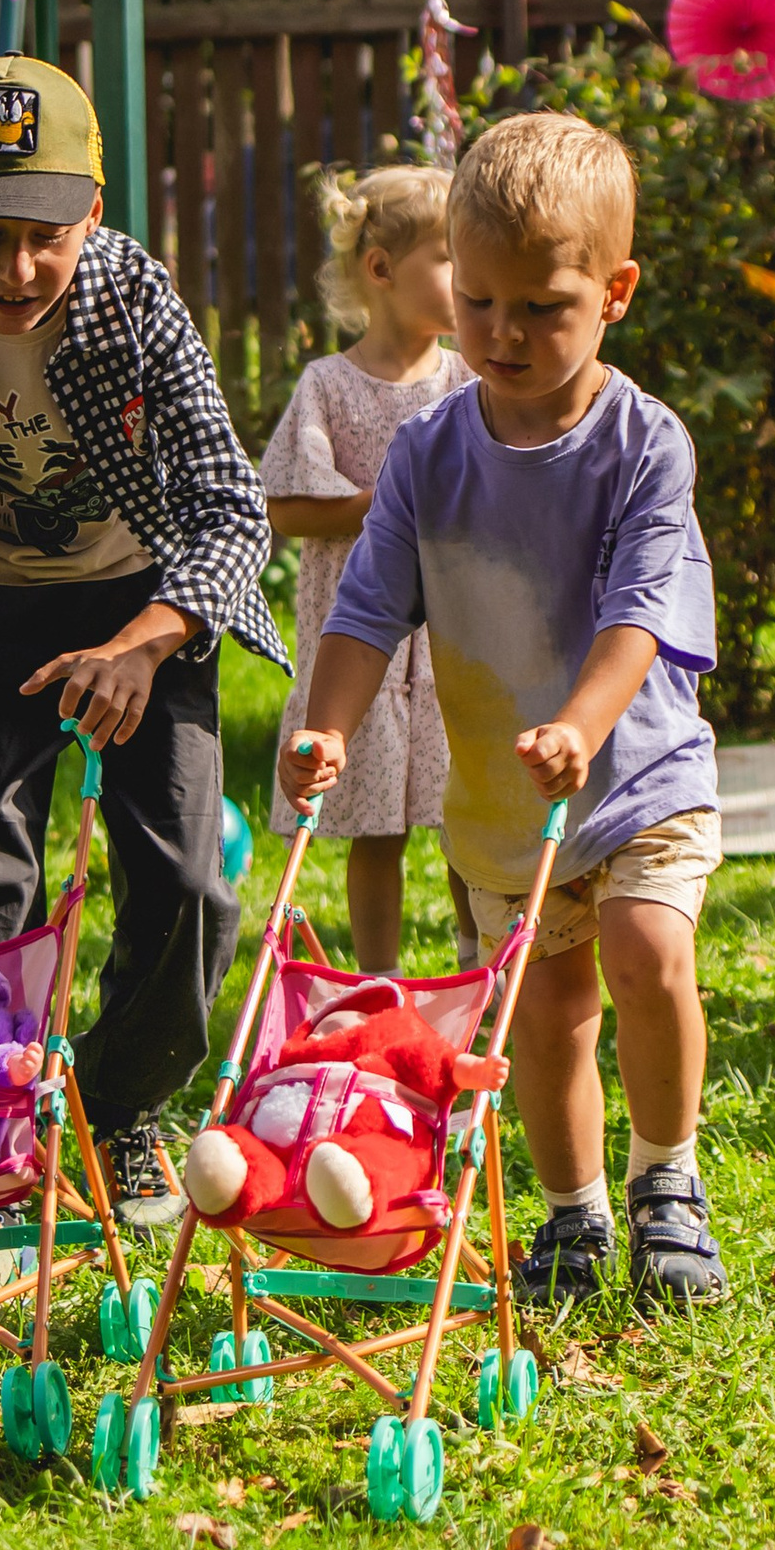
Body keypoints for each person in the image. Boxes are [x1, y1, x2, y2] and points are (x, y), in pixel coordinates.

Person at [0, 54, 287, 1225]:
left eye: (45, 235)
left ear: (94, 212)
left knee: (184, 885)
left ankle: (116, 1108)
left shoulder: (134, 297)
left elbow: (232, 506)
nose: (18, 270)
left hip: (139, 607)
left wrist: (143, 642)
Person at [278, 111, 727, 1311]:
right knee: (544, 1009)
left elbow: (638, 613)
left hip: (632, 767)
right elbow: (368, 607)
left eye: (542, 307)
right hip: (495, 796)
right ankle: (573, 1211)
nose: (503, 333)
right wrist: (324, 723)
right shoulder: (430, 451)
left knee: (646, 949)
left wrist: (580, 723)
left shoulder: (643, 444)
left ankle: (665, 1184)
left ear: (616, 293)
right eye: (477, 303)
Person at [261, 164, 473, 972]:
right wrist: (379, 505)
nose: (470, 280)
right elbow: (284, 504)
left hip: (454, 633)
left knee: (466, 807)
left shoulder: (471, 384)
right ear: (381, 269)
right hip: (367, 643)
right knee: (376, 821)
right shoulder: (329, 386)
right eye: (451, 258)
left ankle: (472, 960)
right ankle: (379, 980)